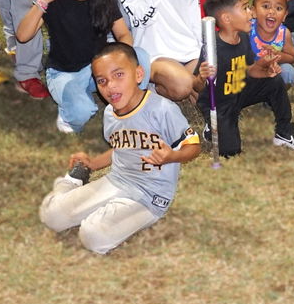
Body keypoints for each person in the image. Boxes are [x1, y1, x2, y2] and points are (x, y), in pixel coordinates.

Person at [39, 43, 203, 254]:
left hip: (149, 196)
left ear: (138, 74)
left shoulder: (162, 109)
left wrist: (172, 156)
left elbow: (194, 146)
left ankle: (103, 214)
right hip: (116, 180)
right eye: (102, 81)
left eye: (118, 75)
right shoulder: (110, 114)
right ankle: (72, 181)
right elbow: (122, 148)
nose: (110, 86)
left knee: (93, 236)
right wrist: (93, 163)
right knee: (52, 216)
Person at [14, 0, 133, 134]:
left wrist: (121, 61)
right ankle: (69, 108)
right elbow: (22, 35)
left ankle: (120, 102)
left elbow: (123, 34)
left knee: (140, 57)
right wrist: (43, 0)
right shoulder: (54, 0)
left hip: (98, 70)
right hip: (63, 73)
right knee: (81, 112)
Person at [206, 0, 294, 156]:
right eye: (245, 8)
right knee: (230, 151)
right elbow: (201, 86)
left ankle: (284, 130)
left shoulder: (244, 37)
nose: (250, 13)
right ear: (227, 18)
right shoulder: (214, 48)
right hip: (221, 102)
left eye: (249, 7)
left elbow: (249, 70)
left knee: (275, 80)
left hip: (239, 90)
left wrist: (264, 69)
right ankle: (211, 124)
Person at [250, 0, 294, 87]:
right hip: (251, 71)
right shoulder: (248, 29)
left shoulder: (284, 33)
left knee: (289, 71)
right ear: (253, 12)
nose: (272, 11)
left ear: (284, 15)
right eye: (266, 6)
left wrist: (277, 55)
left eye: (278, 8)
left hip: (273, 71)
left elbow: (292, 57)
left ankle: (276, 94)